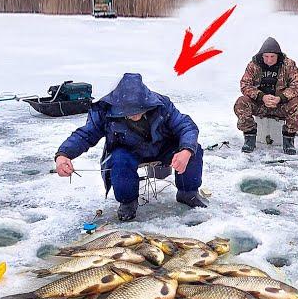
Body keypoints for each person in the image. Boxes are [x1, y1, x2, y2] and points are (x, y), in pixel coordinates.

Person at [54, 73, 207, 221]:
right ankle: (128, 202)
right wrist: (63, 155)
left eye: (138, 109)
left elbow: (186, 126)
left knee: (194, 149)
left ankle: (188, 193)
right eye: (128, 110)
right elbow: (85, 135)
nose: (133, 114)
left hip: (161, 147)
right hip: (129, 151)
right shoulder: (105, 111)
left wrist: (186, 151)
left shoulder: (161, 105)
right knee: (119, 159)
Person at [234, 37, 298, 155]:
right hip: (260, 104)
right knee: (241, 102)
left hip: (281, 105)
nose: (269, 60)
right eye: (266, 56)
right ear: (262, 55)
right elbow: (245, 85)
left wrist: (280, 98)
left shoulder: (289, 65)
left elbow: (297, 86)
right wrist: (261, 96)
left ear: (278, 55)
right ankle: (249, 137)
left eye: (272, 56)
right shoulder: (253, 65)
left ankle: (289, 139)